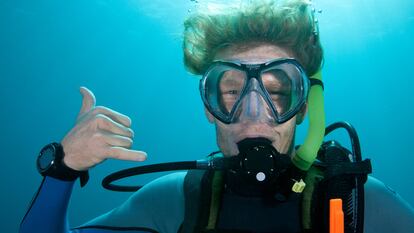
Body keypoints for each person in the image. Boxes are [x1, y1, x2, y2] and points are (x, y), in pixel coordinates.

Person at [19, 0, 414, 233]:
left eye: (277, 92)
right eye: (230, 90)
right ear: (209, 109)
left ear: (302, 110)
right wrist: (62, 169)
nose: (253, 110)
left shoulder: (358, 203)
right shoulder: (179, 200)